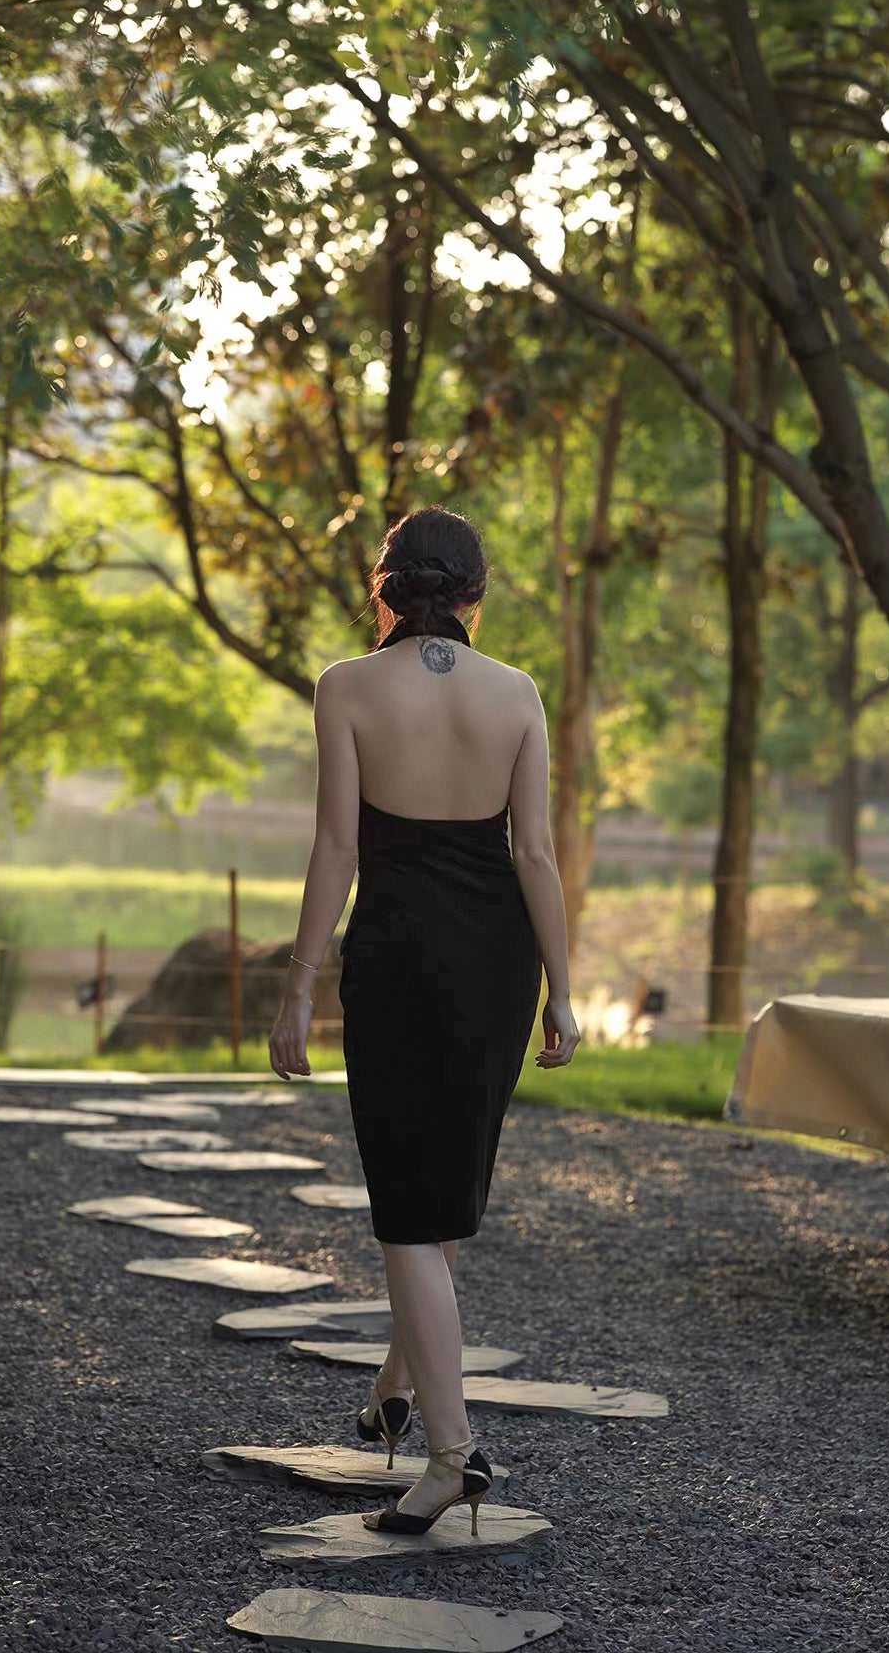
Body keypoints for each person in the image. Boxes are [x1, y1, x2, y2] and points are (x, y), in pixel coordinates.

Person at [267, 504, 581, 1538]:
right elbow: (536, 854)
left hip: (400, 956)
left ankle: (452, 1456)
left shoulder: (347, 687)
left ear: (386, 587)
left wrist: (299, 982)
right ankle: (393, 1394)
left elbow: (336, 848)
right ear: (475, 593)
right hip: (499, 962)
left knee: (408, 1207)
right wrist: (564, 989)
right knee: (437, 1197)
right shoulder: (518, 693)